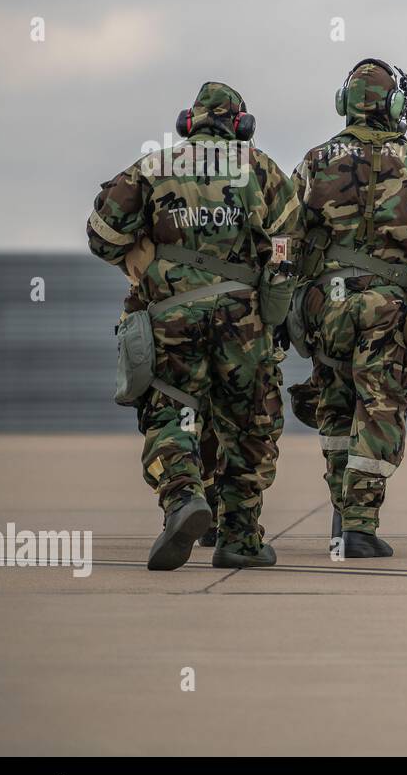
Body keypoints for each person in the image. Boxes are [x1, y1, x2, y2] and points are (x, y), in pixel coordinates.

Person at [87, 82, 295, 569]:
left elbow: (100, 234)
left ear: (189, 122)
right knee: (250, 424)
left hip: (170, 317)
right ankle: (241, 538)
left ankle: (183, 499)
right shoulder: (258, 166)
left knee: (170, 413)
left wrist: (139, 256)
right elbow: (290, 240)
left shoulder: (154, 165)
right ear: (240, 124)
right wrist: (275, 290)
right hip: (244, 322)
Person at [290, 58, 407, 558]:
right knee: (380, 406)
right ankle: (359, 526)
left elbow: (283, 238)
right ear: (393, 105)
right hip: (387, 307)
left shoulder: (314, 161)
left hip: (327, 306)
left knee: (334, 405)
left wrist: (282, 305)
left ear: (345, 102)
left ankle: (338, 515)